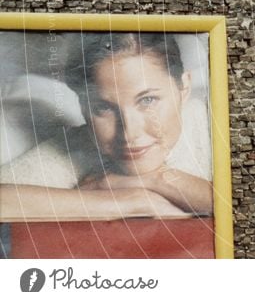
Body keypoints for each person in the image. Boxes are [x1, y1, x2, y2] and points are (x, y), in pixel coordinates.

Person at [0, 32, 213, 221]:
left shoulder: (214, 123)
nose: (129, 133)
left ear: (184, 88)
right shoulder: (76, 149)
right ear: (84, 108)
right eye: (103, 108)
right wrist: (129, 202)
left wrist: (159, 179)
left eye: (148, 100)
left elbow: (244, 208)